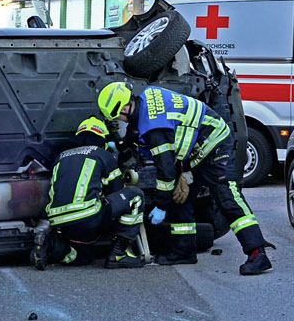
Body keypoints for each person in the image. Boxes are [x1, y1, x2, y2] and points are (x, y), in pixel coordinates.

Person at [98, 82, 275, 275]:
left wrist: (161, 206)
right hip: (194, 152)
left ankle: (258, 254)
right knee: (180, 197)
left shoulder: (153, 128)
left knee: (227, 198)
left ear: (125, 107)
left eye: (118, 118)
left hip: (214, 144)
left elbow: (165, 172)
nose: (121, 122)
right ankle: (184, 251)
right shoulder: (148, 96)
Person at [32, 117, 145, 270]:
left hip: (59, 220)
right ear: (103, 139)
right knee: (135, 195)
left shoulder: (61, 157)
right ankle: (119, 254)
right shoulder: (102, 154)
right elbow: (116, 190)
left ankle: (50, 245)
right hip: (87, 215)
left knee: (82, 257)